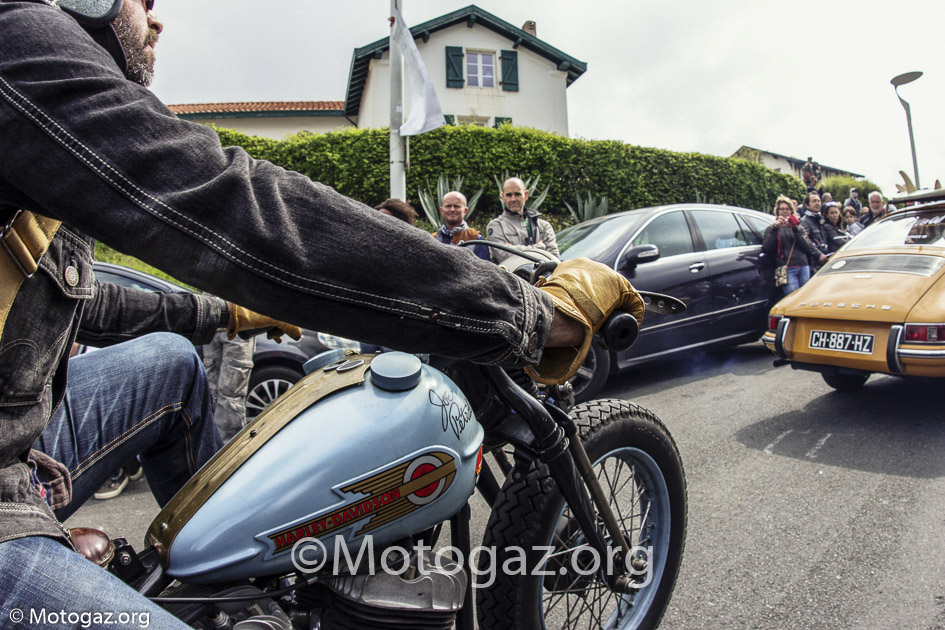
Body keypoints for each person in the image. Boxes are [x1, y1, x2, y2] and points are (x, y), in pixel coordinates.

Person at [0, 0, 642, 622]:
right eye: (143, 0)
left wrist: (228, 315)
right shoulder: (20, 40)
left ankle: (228, 583)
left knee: (171, 364)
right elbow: (238, 202)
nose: (157, 18)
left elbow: (90, 303)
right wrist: (527, 314)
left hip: (26, 442)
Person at [487, 177, 560, 263]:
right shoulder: (496, 226)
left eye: (517, 194)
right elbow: (504, 257)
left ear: (526, 195)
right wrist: (540, 247)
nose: (513, 199)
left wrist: (513, 249)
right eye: (509, 195)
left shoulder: (544, 226)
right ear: (503, 197)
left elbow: (554, 259)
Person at [763, 196, 827, 295]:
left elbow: (806, 245)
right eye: (782, 209)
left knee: (805, 296)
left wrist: (795, 228)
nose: (785, 211)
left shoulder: (799, 227)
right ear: (777, 211)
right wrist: (775, 229)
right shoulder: (771, 229)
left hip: (803, 266)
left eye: (787, 209)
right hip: (787, 268)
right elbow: (767, 247)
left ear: (791, 211)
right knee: (793, 296)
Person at [202, 330, 256, 441]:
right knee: (213, 394)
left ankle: (227, 446)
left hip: (236, 329)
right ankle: (218, 444)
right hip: (214, 328)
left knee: (229, 397)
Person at [432, 191, 490, 261]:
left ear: (465, 210)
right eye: (448, 206)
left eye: (457, 206)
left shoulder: (476, 238)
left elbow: (485, 267)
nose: (452, 209)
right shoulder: (433, 239)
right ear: (441, 210)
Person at [799, 192, 829, 271]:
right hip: (813, 264)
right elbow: (805, 240)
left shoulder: (820, 220)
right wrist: (818, 254)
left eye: (818, 201)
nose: (817, 203)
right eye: (814, 201)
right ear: (807, 205)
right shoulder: (805, 221)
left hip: (824, 262)